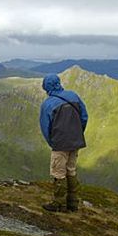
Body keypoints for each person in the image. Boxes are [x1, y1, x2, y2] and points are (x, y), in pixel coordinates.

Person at [39, 74, 88, 212]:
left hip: (60, 143)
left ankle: (58, 204)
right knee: (71, 170)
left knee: (58, 172)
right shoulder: (73, 96)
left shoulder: (48, 104)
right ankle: (73, 203)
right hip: (76, 140)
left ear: (46, 87)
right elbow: (84, 116)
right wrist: (78, 132)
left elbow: (45, 127)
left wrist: (53, 142)